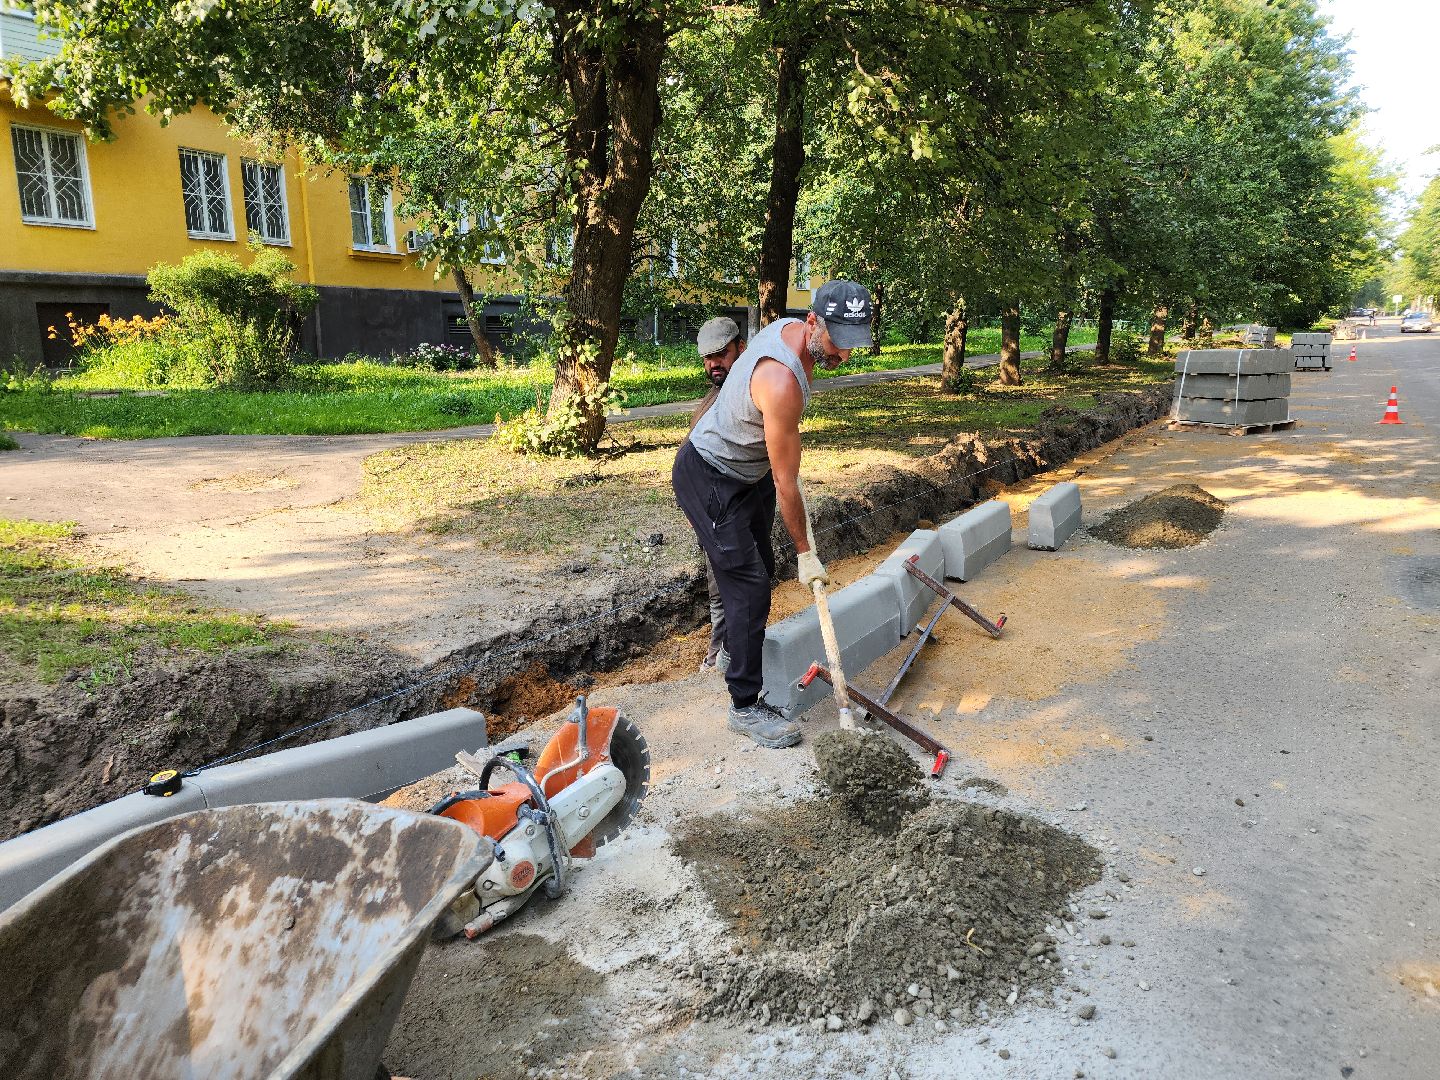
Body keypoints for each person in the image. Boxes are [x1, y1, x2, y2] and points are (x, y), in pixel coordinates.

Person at [673, 280, 874, 748]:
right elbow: (787, 483)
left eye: (851, 344)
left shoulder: (788, 330)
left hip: (748, 470)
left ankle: (735, 652)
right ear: (812, 322)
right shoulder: (781, 381)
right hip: (711, 477)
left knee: (756, 564)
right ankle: (744, 705)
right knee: (749, 584)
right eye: (836, 342)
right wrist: (806, 552)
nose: (843, 355)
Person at [690, 316, 744, 672]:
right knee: (718, 588)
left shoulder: (748, 394)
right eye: (707, 358)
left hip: (736, 511)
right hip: (710, 512)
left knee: (732, 587)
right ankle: (723, 653)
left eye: (721, 354)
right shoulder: (711, 399)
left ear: (739, 348)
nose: (714, 364)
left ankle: (721, 659)